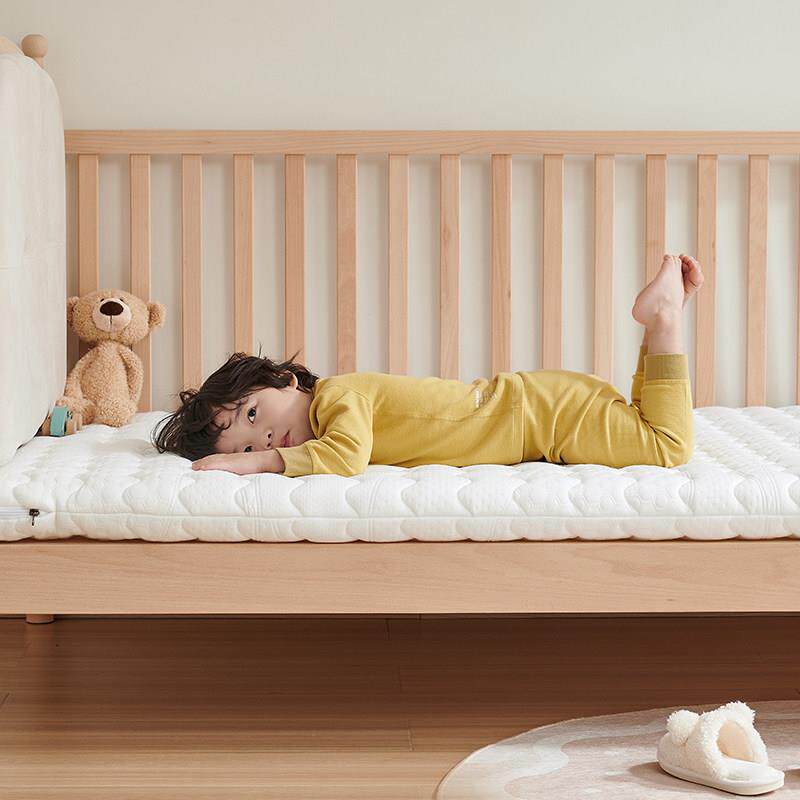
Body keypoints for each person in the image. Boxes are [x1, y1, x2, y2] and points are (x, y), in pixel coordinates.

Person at [152, 253, 703, 477]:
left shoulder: (338, 397)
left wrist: (254, 465)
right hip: (542, 408)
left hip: (545, 416)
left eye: (252, 416)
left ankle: (665, 320)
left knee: (667, 447)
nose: (267, 438)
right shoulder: (330, 411)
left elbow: (346, 457)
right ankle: (663, 319)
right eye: (245, 445)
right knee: (646, 427)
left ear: (286, 380)